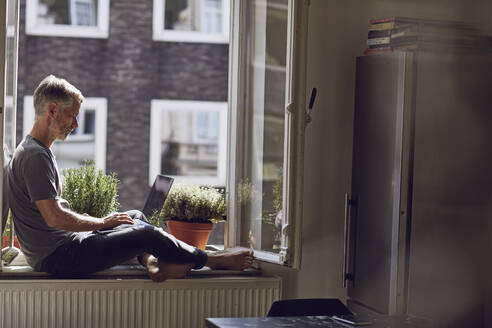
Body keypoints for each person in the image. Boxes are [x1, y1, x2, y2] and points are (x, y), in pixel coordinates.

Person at [7, 75, 253, 281]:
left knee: (134, 217)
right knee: (145, 233)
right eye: (72, 115)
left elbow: (53, 214)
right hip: (59, 256)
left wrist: (105, 222)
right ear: (52, 110)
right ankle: (214, 259)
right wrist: (103, 222)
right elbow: (54, 217)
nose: (76, 124)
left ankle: (154, 263)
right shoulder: (34, 156)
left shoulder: (39, 151)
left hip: (67, 246)